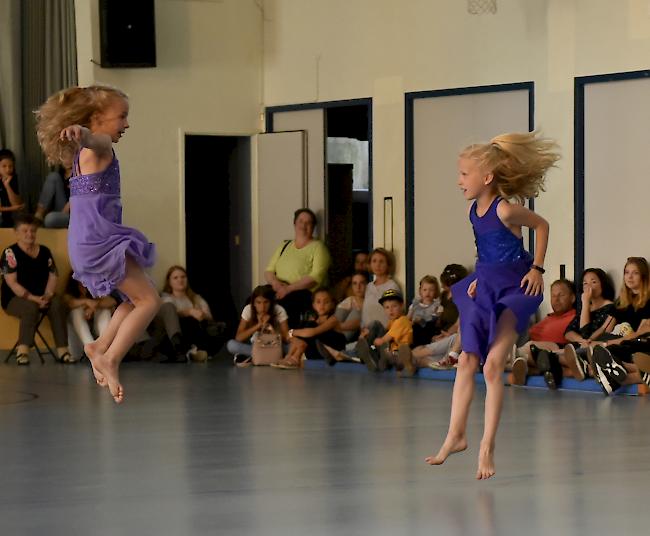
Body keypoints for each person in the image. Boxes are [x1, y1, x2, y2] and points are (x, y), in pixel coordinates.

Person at [426, 131, 559, 480]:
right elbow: (486, 251)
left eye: (464, 174)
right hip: (485, 285)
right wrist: (476, 280)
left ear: (486, 177)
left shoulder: (505, 208)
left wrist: (538, 268)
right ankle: (455, 435)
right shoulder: (474, 210)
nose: (459, 181)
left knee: (492, 365)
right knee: (467, 359)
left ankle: (487, 445)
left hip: (516, 287)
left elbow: (542, 225)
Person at [36, 85, 160, 403]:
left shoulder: (82, 156)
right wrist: (83, 132)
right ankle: (111, 357)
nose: (127, 124)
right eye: (122, 116)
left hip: (88, 240)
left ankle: (98, 345)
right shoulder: (98, 146)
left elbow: (92, 140)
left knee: (134, 300)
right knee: (149, 302)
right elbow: (96, 138)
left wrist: (82, 135)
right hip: (98, 240)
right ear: (97, 118)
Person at [1, 214, 72, 364]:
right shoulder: (10, 253)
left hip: (42, 296)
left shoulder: (45, 251)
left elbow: (53, 275)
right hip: (14, 299)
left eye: (32, 231)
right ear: (16, 233)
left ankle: (63, 351)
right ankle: (23, 351)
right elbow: (12, 283)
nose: (29, 234)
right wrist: (34, 299)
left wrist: (47, 295)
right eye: (25, 231)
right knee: (30, 308)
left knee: (58, 303)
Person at [532, 269, 613, 388]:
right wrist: (580, 340)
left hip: (593, 347)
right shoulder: (584, 310)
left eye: (593, 282)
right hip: (580, 345)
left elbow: (587, 332)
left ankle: (577, 369)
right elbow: (569, 332)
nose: (589, 287)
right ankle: (571, 370)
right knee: (547, 354)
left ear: (603, 285)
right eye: (585, 283)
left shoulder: (610, 308)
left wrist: (585, 303)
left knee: (550, 355)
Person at [588, 257, 650, 394]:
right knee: (590, 348)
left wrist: (610, 342)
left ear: (644, 277)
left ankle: (604, 372)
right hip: (620, 341)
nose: (630, 277)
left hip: (636, 344)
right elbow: (605, 329)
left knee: (606, 349)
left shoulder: (648, 300)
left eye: (635, 273)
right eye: (627, 272)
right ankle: (603, 368)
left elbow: (642, 332)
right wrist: (589, 341)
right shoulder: (621, 301)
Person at [264, 208, 331, 327]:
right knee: (255, 300)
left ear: (313, 226)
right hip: (278, 287)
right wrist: (276, 284)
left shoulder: (318, 247)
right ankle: (257, 338)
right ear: (295, 224)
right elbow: (269, 270)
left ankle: (285, 340)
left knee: (283, 305)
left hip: (301, 292)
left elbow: (315, 277)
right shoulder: (284, 245)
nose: (303, 225)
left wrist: (288, 289)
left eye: (308, 222)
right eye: (301, 221)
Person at [508, 278, 577, 386]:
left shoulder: (575, 317)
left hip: (555, 350)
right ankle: (519, 363)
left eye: (561, 295)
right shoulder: (547, 319)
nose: (556, 299)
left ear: (572, 298)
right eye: (553, 296)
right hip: (535, 353)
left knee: (531, 347)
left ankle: (514, 357)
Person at [161, 265, 225, 360]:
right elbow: (169, 315)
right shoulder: (166, 298)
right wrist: (189, 312)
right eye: (175, 278)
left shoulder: (196, 298)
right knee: (189, 321)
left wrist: (202, 314)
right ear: (169, 282)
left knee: (219, 326)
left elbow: (209, 316)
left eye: (183, 277)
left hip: (198, 329)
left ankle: (196, 352)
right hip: (180, 331)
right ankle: (190, 351)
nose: (180, 280)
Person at [271, 287, 345, 370]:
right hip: (315, 351)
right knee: (305, 326)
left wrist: (291, 332)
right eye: (318, 302)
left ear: (332, 304)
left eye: (326, 302)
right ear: (313, 305)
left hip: (331, 351)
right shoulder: (314, 320)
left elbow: (313, 332)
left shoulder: (334, 319)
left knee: (309, 328)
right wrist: (293, 334)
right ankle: (289, 356)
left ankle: (296, 357)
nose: (322, 305)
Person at [227, 285, 290, 361]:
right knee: (231, 345)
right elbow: (239, 337)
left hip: (275, 345)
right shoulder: (248, 309)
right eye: (258, 302)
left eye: (266, 302)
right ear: (254, 303)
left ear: (271, 302)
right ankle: (268, 356)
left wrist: (273, 331)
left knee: (292, 347)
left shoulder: (279, 310)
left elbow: (287, 338)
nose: (262, 307)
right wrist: (258, 325)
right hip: (254, 345)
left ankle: (256, 356)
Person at [357, 289, 413, 372]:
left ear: (401, 306)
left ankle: (374, 355)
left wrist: (377, 340)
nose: (390, 310)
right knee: (375, 326)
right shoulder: (392, 322)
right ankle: (373, 355)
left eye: (394, 306)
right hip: (389, 350)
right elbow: (384, 331)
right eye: (387, 307)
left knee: (376, 326)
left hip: (398, 352)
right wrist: (367, 334)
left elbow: (385, 339)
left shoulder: (402, 320)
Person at [64, 273, 116, 358]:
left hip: (95, 326)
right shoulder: (71, 292)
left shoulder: (96, 288)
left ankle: (104, 347)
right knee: (76, 312)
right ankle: (91, 347)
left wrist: (94, 307)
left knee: (105, 311)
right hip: (77, 333)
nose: (83, 284)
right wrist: (86, 302)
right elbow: (69, 302)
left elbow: (112, 301)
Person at [407, 275, 442, 347]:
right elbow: (407, 320)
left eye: (431, 290)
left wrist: (435, 316)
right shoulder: (414, 305)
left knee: (429, 325)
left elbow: (438, 324)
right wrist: (413, 322)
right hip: (416, 330)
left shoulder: (437, 306)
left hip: (429, 331)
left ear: (435, 291)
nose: (428, 292)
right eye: (425, 290)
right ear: (420, 291)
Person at [0, 149, 25, 228]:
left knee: (20, 217)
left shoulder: (13, 178)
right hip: (2, 214)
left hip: (10, 216)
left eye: (10, 166)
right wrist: (13, 208)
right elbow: (16, 207)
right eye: (4, 166)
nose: (8, 170)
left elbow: (16, 203)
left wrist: (7, 186)